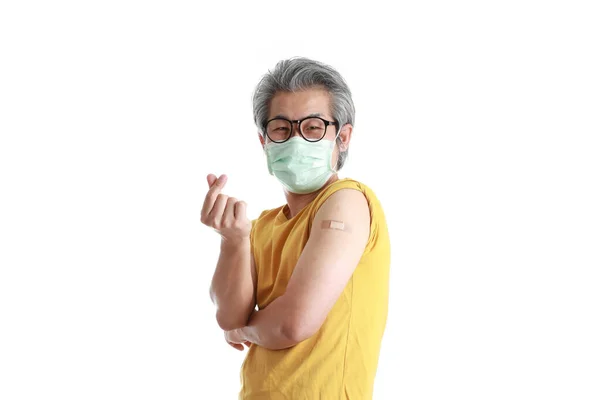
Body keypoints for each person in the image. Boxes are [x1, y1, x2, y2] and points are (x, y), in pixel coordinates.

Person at [202, 57, 390, 399]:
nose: (296, 139)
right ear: (264, 142)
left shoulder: (346, 201)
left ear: (342, 137)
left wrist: (246, 328)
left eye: (314, 127)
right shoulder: (261, 226)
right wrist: (233, 239)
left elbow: (294, 323)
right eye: (281, 128)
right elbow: (229, 317)